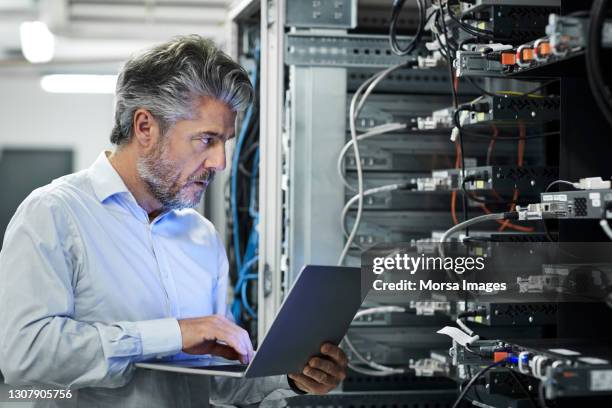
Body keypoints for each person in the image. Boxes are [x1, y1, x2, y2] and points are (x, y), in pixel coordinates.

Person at [0, 35, 347, 407]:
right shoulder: (55, 214)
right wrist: (174, 334)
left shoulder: (200, 236)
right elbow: (25, 357)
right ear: (145, 127)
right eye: (206, 140)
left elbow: (213, 381)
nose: (220, 163)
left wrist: (292, 377)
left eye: (225, 141)